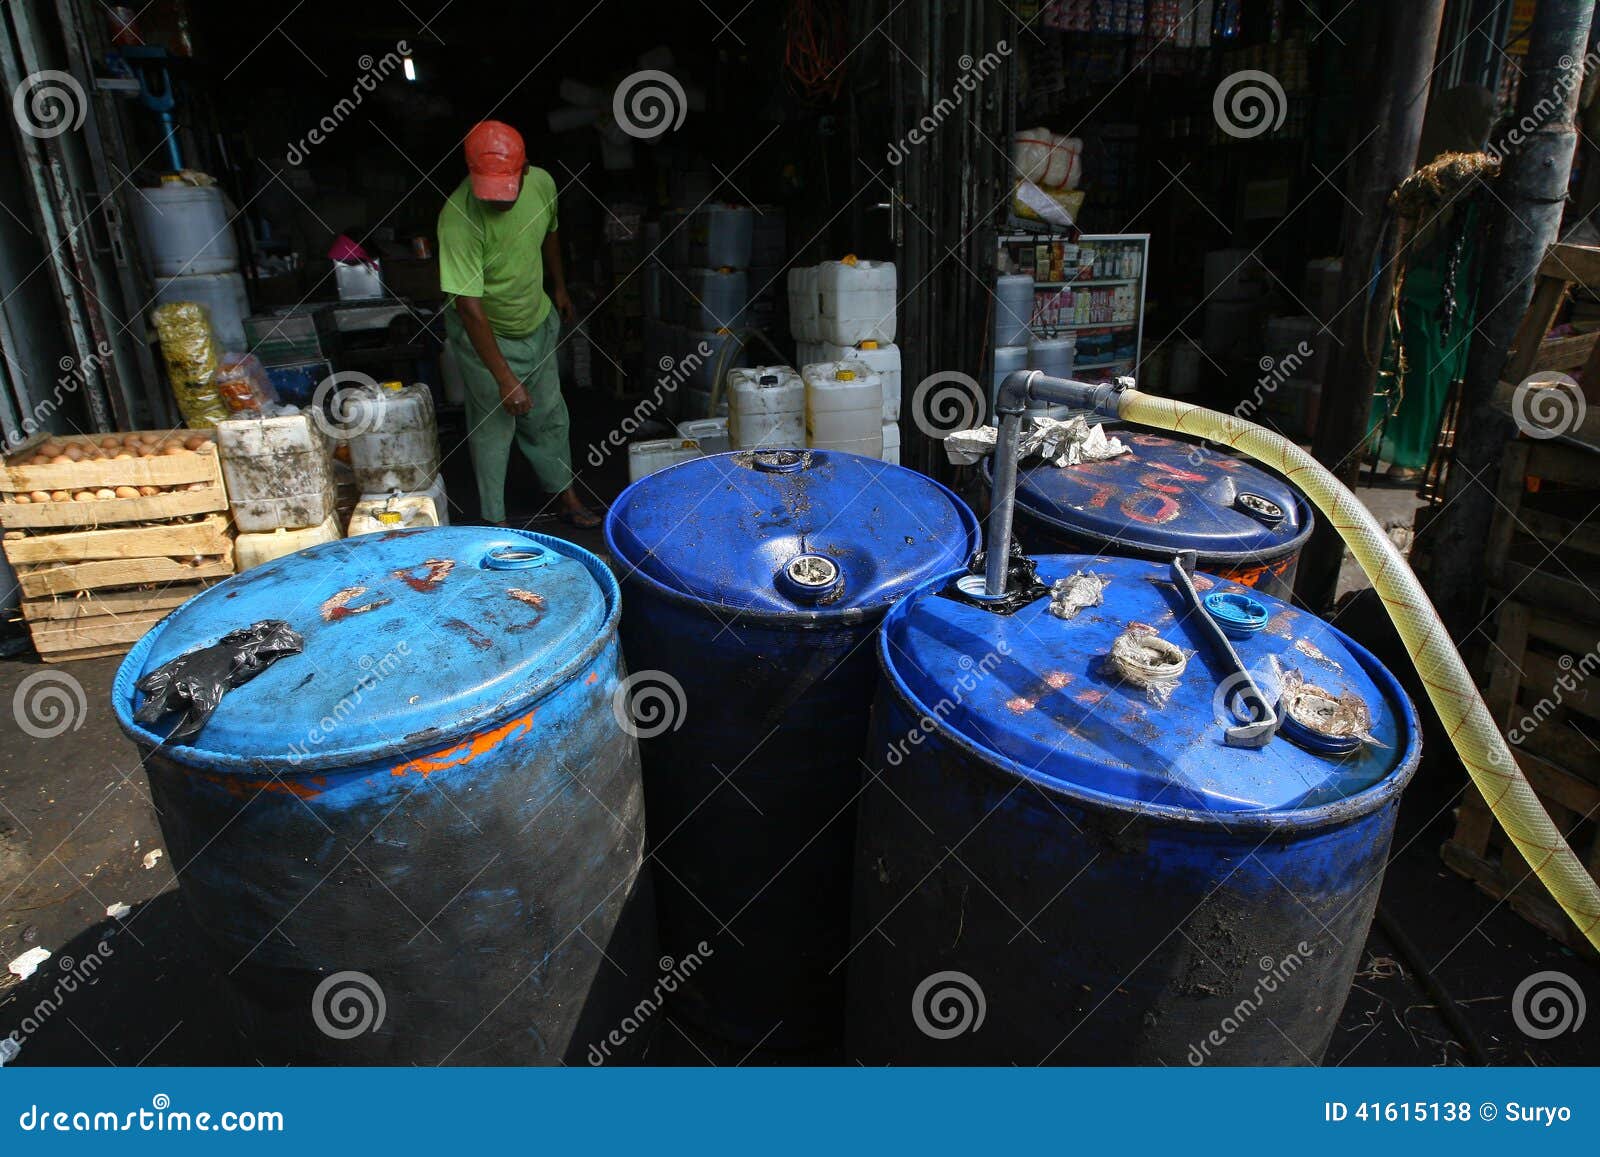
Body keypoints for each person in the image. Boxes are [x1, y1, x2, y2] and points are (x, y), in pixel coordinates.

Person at [437, 119, 598, 527]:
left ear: (524, 170)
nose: (498, 201)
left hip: (536, 321)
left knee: (549, 416)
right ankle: (495, 522)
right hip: (486, 335)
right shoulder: (457, 219)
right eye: (488, 191)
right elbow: (470, 307)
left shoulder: (542, 183)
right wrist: (505, 378)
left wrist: (558, 286)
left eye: (506, 189)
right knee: (494, 428)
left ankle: (567, 498)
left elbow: (551, 234)